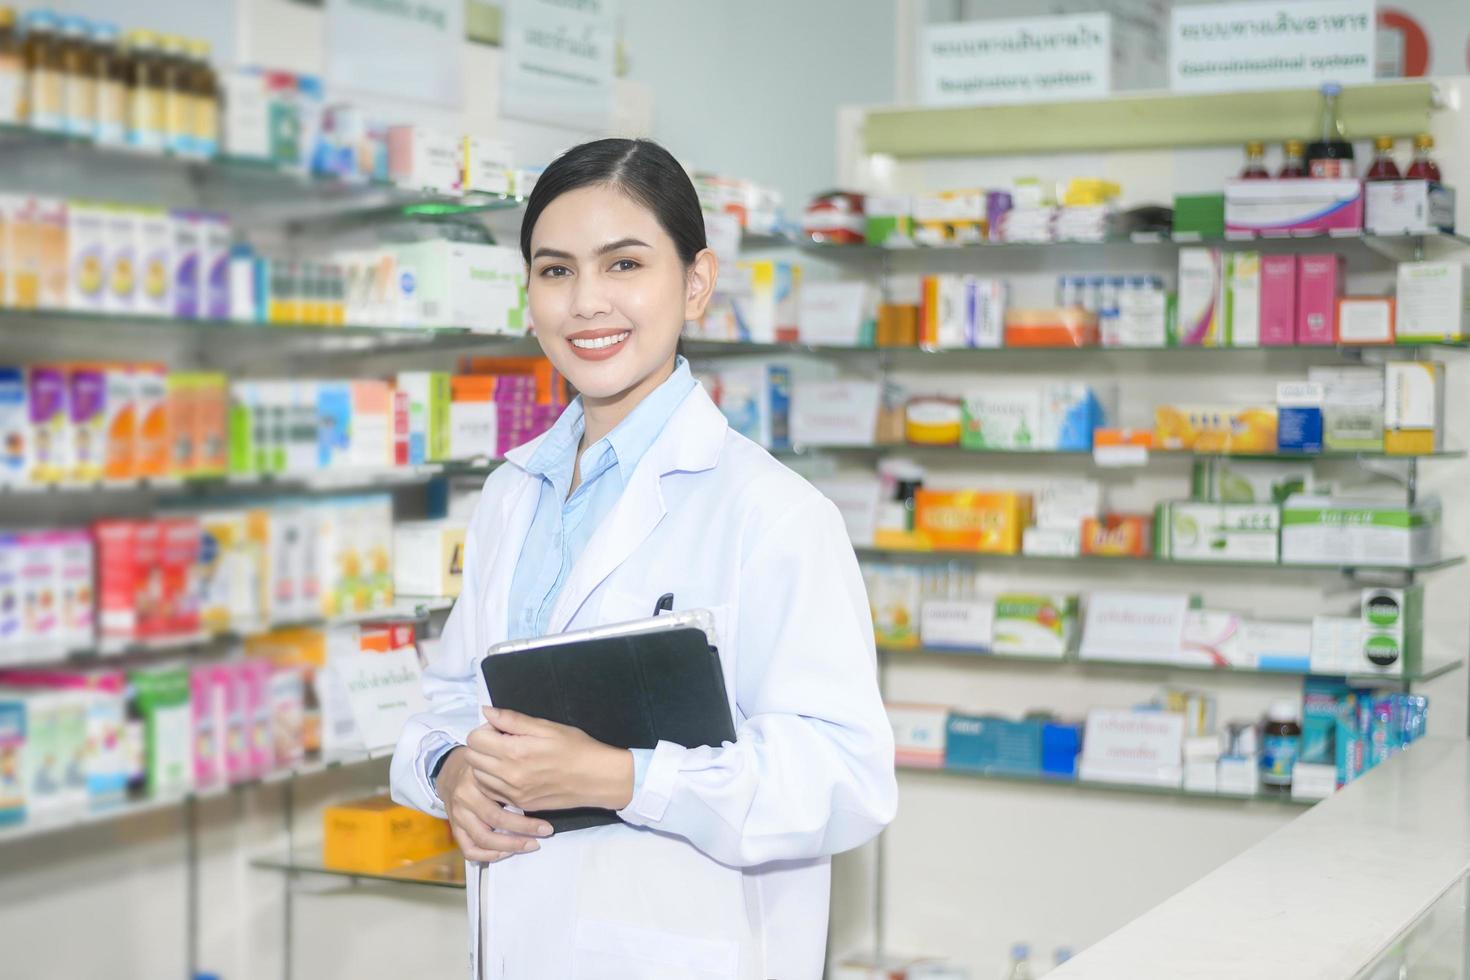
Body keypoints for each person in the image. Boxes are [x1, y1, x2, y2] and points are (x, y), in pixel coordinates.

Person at [390, 137, 896, 980]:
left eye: (624, 264)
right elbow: (448, 702)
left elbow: (846, 778)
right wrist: (450, 776)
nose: (588, 303)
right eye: (555, 271)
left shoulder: (774, 515)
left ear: (695, 283)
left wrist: (622, 777)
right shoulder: (513, 496)